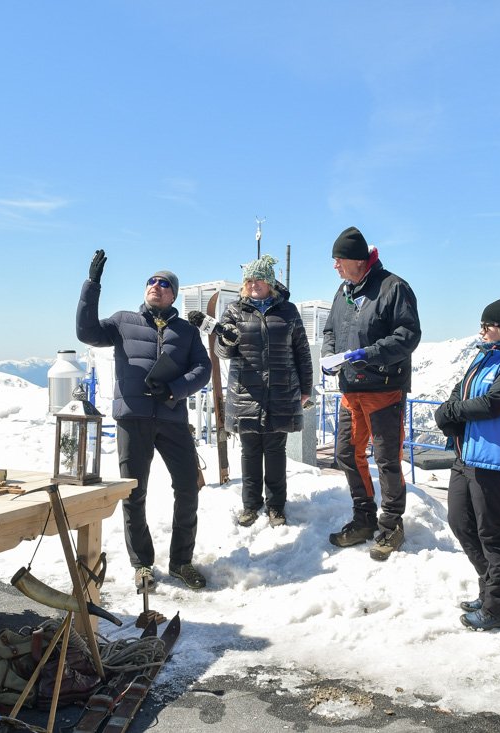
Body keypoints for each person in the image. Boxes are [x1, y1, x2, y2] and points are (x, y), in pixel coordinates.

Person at [76, 250, 212, 590]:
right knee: (133, 493)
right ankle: (142, 564)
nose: (156, 286)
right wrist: (92, 284)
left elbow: (203, 368)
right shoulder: (123, 322)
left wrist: (175, 390)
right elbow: (86, 332)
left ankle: (181, 561)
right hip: (132, 419)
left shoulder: (186, 331)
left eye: (164, 284)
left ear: (173, 294)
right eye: (151, 281)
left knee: (187, 487)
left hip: (172, 418)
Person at [434, 299, 500, 631]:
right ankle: (492, 588)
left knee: (492, 534)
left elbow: (493, 403)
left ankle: (499, 606)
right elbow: (461, 389)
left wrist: (452, 412)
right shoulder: (485, 356)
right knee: (460, 522)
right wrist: (450, 407)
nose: (481, 331)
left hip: (496, 461)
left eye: (487, 326)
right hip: (466, 455)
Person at [321, 226, 421, 561]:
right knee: (347, 454)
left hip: (384, 389)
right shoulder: (343, 291)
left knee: (387, 459)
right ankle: (364, 518)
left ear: (358, 260)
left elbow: (408, 335)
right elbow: (331, 330)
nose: (335, 265)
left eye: (339, 259)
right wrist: (329, 356)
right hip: (351, 388)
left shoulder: (393, 287)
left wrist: (370, 354)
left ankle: (391, 525)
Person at [215, 254, 313, 527]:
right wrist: (226, 339)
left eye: (259, 279)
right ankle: (250, 505)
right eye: (249, 280)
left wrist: (306, 388)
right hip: (246, 392)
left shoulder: (288, 311)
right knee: (249, 451)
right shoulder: (234, 311)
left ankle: (276, 506)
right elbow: (222, 352)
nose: (253, 284)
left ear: (270, 282)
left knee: (275, 450)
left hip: (281, 391)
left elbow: (302, 352)